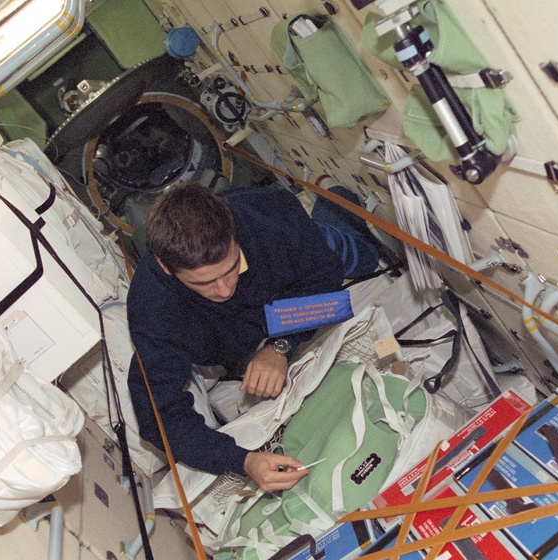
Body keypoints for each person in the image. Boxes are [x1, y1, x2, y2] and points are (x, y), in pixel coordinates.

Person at [127, 179, 379, 492]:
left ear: (234, 233)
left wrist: (281, 346)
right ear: (166, 267)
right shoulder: (152, 311)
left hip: (289, 276)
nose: (224, 288)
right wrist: (242, 460)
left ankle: (330, 196)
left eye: (231, 267)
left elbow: (324, 287)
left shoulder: (270, 213)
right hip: (232, 336)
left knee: (366, 256)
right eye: (204, 282)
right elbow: (158, 414)